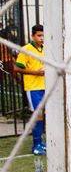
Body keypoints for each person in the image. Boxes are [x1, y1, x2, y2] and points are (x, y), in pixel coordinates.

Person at [13, 25, 46, 156]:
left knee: (42, 116)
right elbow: (16, 68)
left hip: (45, 87)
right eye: (39, 35)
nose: (42, 38)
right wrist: (35, 73)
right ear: (33, 36)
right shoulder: (26, 49)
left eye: (43, 35)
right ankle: (36, 145)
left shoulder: (45, 49)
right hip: (33, 88)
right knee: (37, 115)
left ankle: (41, 143)